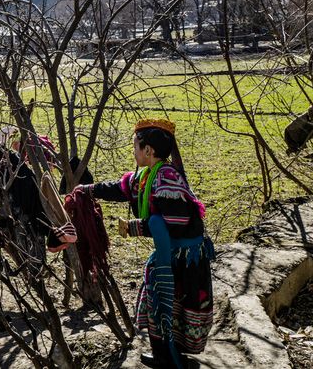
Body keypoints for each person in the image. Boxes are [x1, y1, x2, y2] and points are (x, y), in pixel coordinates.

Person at [74, 118, 213, 368]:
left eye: (135, 146)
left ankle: (172, 359)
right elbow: (119, 188)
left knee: (170, 307)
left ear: (148, 150)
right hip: (170, 254)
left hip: (184, 259)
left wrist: (134, 227)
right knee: (159, 304)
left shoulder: (167, 178)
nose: (134, 150)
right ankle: (165, 357)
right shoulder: (146, 176)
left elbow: (174, 221)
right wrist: (88, 190)